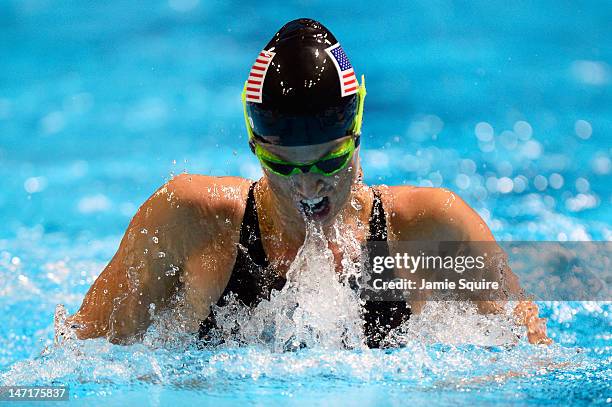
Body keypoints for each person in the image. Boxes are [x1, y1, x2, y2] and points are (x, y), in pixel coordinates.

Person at [66, 18, 552, 348]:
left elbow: (534, 364)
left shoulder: (433, 228)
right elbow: (79, 358)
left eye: (330, 160)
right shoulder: (190, 220)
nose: (307, 186)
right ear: (254, 143)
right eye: (282, 165)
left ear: (356, 128)